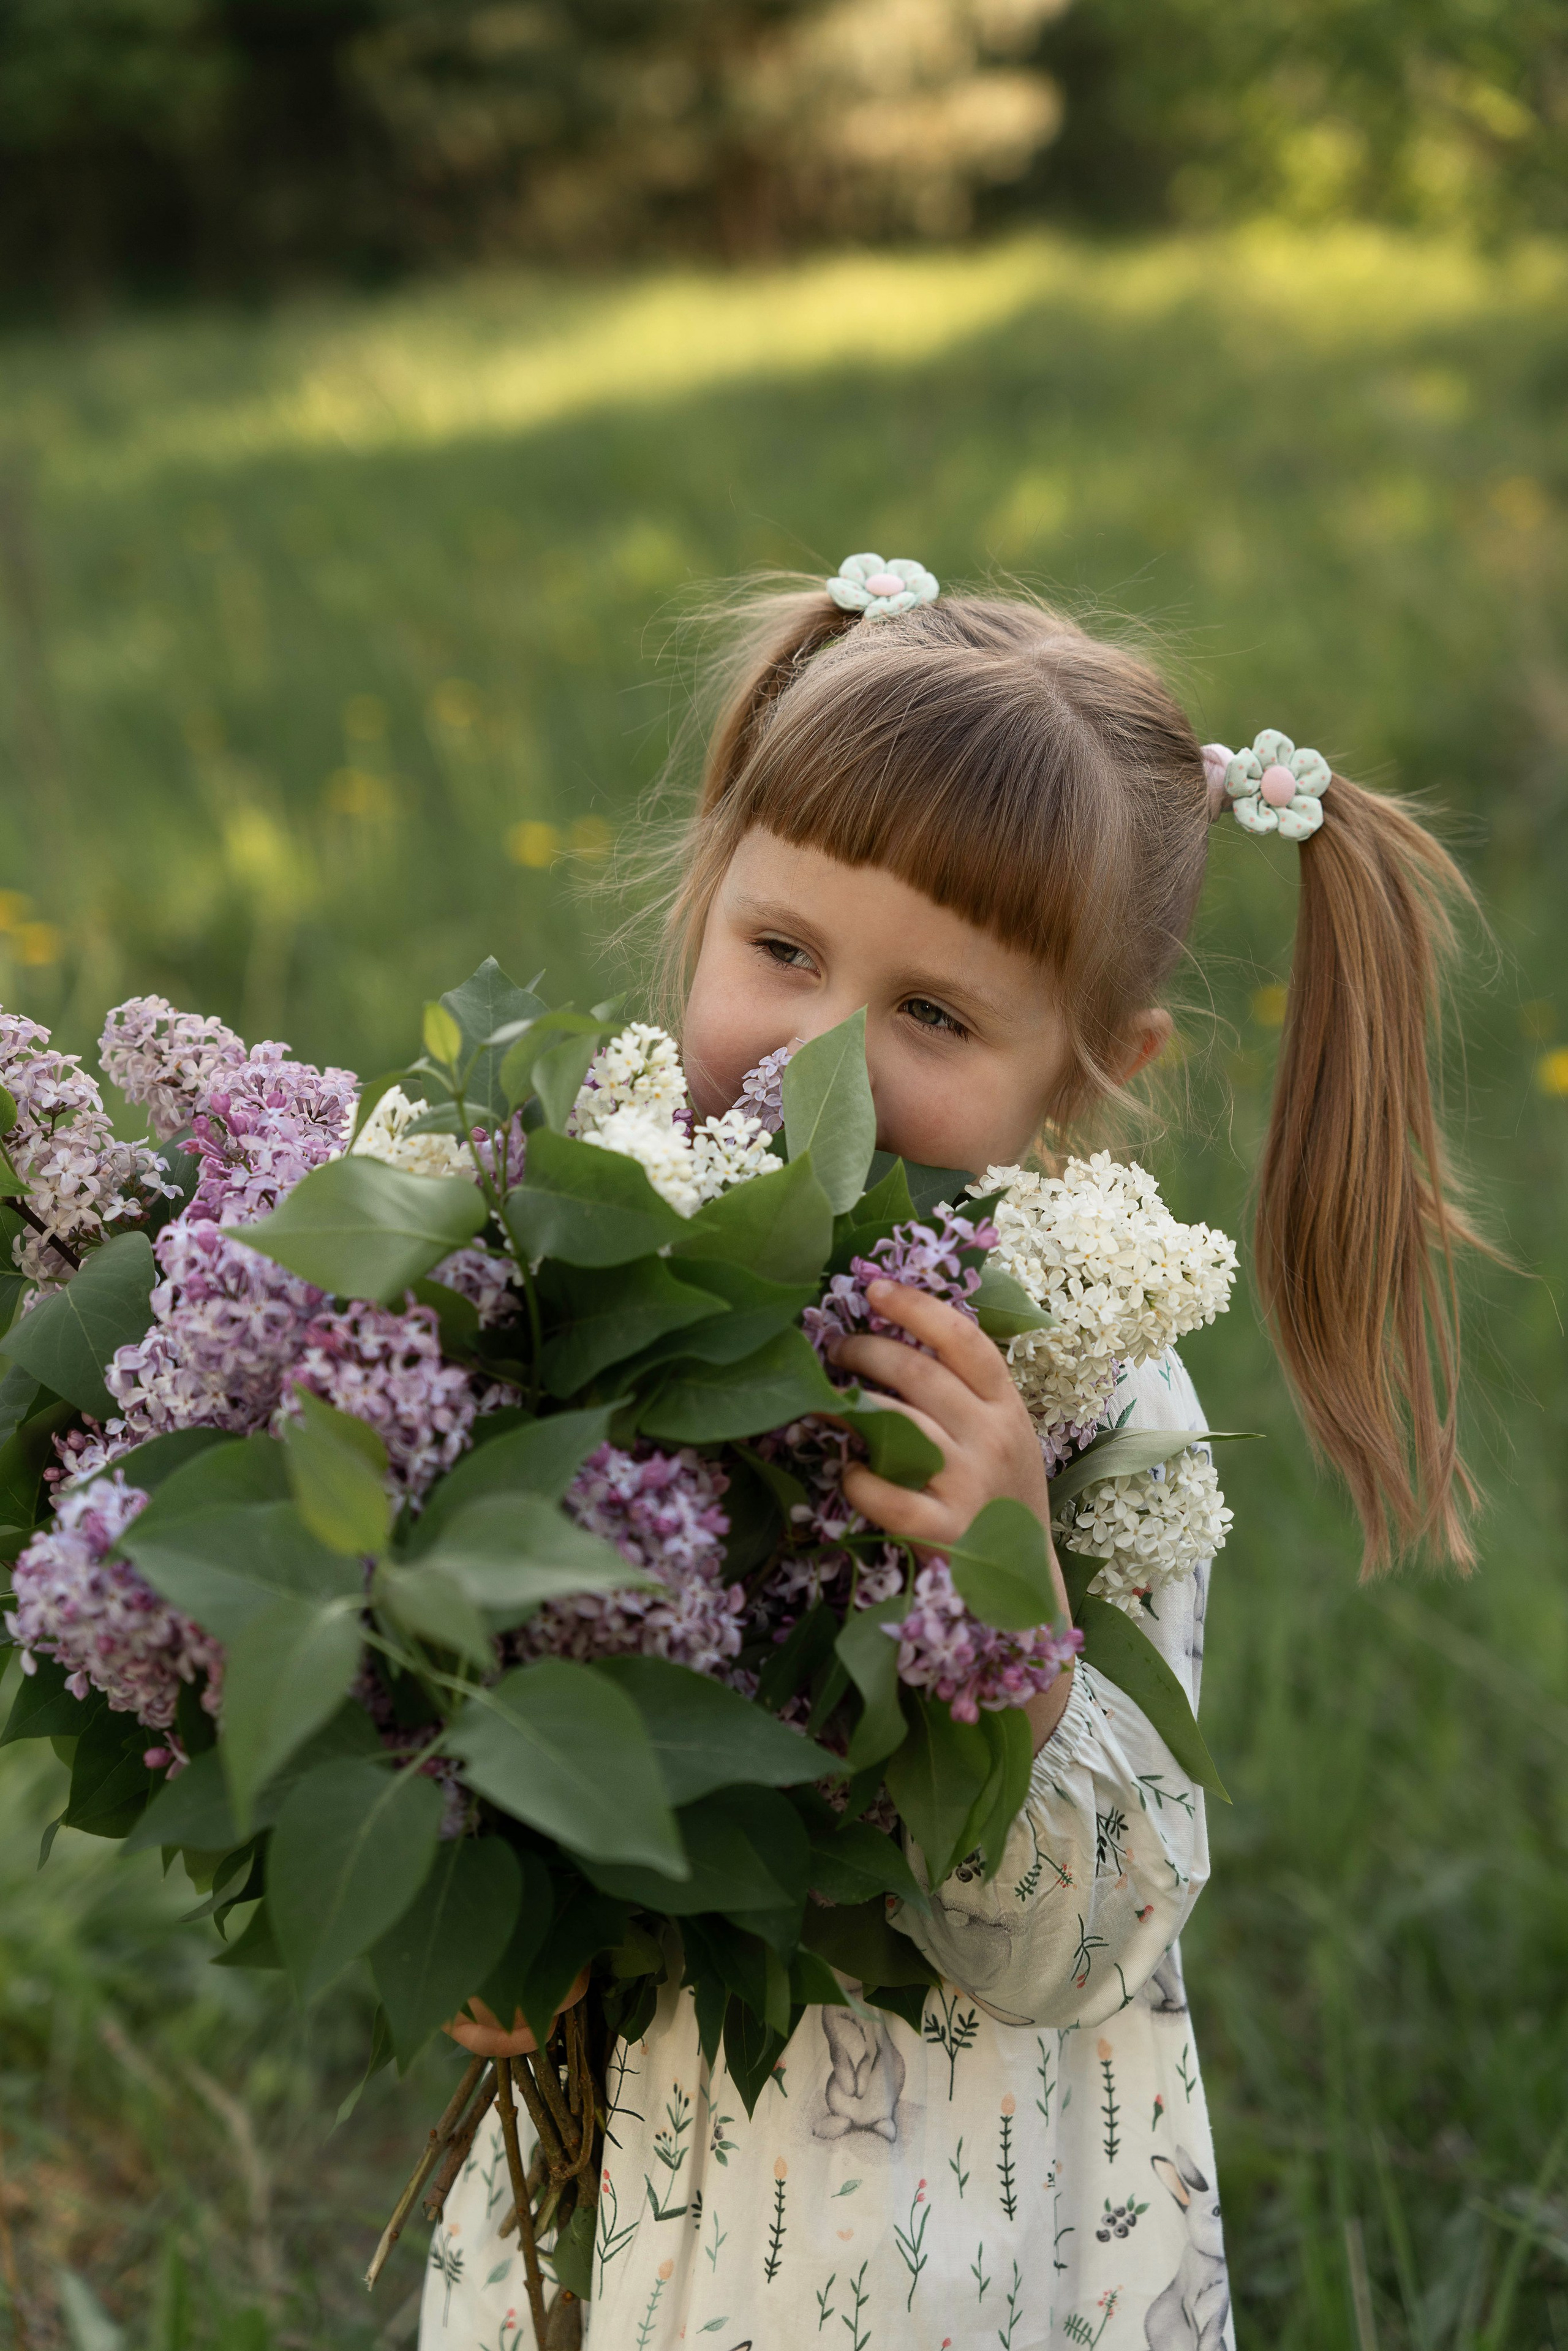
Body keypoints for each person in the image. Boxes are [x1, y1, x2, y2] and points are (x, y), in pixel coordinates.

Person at [421, 559, 1479, 2349]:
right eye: (782, 954)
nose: (821, 1057)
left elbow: (1094, 1936)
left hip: (941, 2230)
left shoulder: (1078, 1396)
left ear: (1086, 1067)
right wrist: (502, 1928)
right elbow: (511, 1707)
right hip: (637, 2181)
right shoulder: (580, 1265)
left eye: (931, 1016)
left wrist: (1006, 1597)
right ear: (703, 906)